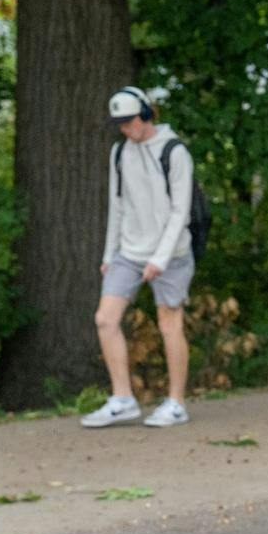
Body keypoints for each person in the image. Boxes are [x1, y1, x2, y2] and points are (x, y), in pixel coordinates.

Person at [82, 87, 195, 428]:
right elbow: (117, 206)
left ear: (146, 114)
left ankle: (176, 403)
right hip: (129, 252)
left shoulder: (174, 152)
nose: (125, 129)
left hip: (171, 252)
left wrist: (159, 259)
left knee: (168, 323)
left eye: (130, 121)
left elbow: (180, 210)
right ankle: (122, 399)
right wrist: (108, 254)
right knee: (105, 319)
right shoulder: (120, 152)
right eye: (120, 124)